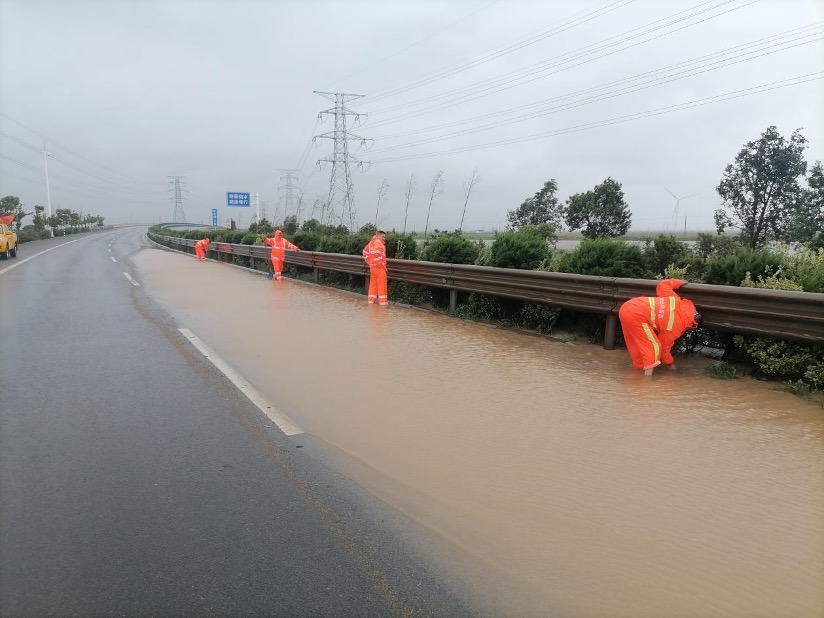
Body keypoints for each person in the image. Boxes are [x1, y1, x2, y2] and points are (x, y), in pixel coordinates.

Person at [618, 278, 702, 376]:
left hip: (628, 306)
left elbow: (663, 285)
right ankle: (646, 383)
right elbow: (663, 350)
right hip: (637, 316)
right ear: (691, 325)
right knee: (654, 347)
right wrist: (671, 365)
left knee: (637, 345)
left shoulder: (675, 299)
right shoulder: (676, 328)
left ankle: (637, 373)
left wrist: (680, 282)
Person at [362, 230, 388, 306]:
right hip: (380, 268)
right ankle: (383, 304)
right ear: (378, 235)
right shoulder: (378, 242)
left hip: (373, 268)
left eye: (385, 237)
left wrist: (370, 262)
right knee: (382, 286)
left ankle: (371, 302)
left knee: (373, 285)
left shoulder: (371, 243)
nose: (384, 239)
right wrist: (379, 263)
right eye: (383, 237)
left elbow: (365, 252)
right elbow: (377, 253)